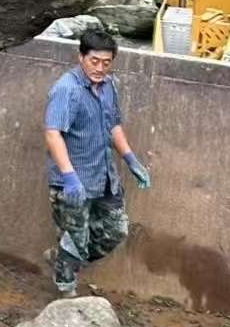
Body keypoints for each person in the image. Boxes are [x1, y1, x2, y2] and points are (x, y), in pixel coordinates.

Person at [43, 27, 150, 296]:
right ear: (81, 57)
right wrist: (69, 177)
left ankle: (63, 260)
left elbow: (113, 124)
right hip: (72, 181)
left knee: (116, 230)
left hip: (103, 177)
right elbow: (53, 134)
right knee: (75, 240)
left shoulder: (108, 86)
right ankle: (66, 292)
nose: (100, 68)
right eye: (94, 61)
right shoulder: (67, 89)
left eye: (106, 63)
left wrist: (131, 159)